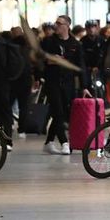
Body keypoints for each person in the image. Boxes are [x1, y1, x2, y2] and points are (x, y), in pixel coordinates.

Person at [41, 15, 89, 155]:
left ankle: (49, 142)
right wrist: (50, 60)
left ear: (67, 25)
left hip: (68, 83)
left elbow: (81, 66)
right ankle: (64, 142)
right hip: (52, 82)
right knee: (58, 112)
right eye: (55, 23)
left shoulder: (75, 44)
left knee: (63, 112)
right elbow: (39, 58)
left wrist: (84, 86)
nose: (56, 25)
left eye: (59, 23)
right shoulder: (48, 41)